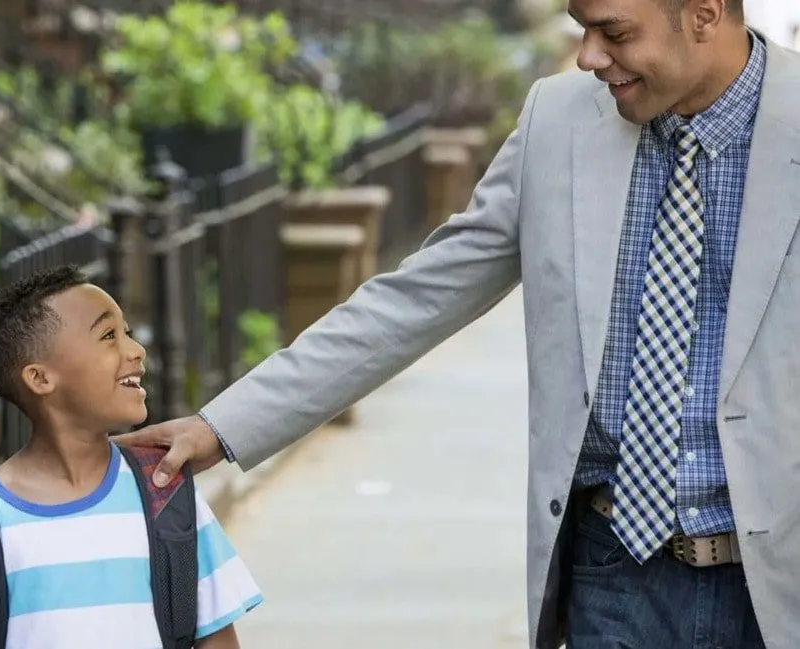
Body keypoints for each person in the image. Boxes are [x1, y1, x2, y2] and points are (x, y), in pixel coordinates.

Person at [114, 0, 799, 646]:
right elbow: (418, 295)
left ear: (705, 14)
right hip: (611, 572)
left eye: (615, 33)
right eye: (580, 27)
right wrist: (225, 425)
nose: (588, 56)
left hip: (779, 575)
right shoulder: (559, 122)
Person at [0, 265, 262, 648]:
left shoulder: (167, 493)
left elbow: (217, 639)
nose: (135, 350)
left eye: (127, 332)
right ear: (40, 378)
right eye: (109, 335)